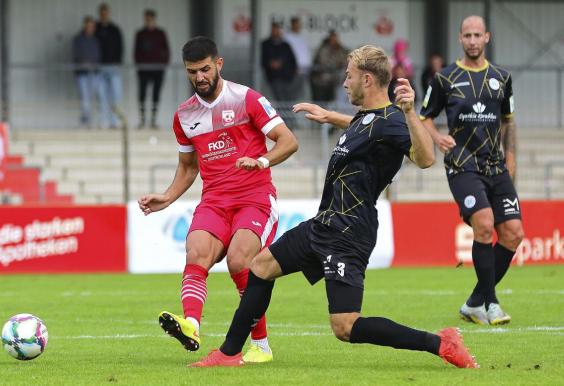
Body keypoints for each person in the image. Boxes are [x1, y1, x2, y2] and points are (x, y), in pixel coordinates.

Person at [190, 45, 477, 369]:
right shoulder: (366, 118)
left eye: (349, 76)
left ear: (366, 80)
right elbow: (364, 126)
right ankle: (229, 353)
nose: (343, 82)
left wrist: (410, 112)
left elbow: (425, 159)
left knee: (345, 326)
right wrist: (330, 117)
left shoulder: (394, 120)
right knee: (260, 267)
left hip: (349, 231)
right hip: (324, 223)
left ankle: (441, 342)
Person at [138, 36, 298, 363]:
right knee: (196, 251)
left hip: (255, 198)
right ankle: (191, 325)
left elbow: (288, 141)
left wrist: (262, 160)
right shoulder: (184, 116)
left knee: (239, 261)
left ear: (219, 64)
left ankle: (261, 346)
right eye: (192, 71)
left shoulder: (247, 99)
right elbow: (187, 166)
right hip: (214, 201)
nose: (200, 77)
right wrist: (167, 197)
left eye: (205, 69)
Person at [419, 15, 524, 325]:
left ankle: (474, 302)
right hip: (462, 166)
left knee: (513, 234)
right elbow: (425, 116)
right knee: (485, 223)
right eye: (468, 35)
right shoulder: (444, 78)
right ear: (460, 39)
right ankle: (491, 303)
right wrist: (437, 137)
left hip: (496, 166)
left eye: (478, 35)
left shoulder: (502, 78)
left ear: (487, 38)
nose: (473, 40)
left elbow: (509, 121)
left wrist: (512, 158)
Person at [134, 9, 170, 129]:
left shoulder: (160, 33)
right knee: (142, 95)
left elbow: (166, 50)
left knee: (156, 94)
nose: (148, 21)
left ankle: (153, 120)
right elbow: (136, 51)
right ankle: (143, 120)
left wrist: (163, 64)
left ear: (154, 19)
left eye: (150, 19)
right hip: (144, 69)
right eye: (147, 19)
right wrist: (139, 64)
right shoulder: (140, 34)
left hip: (157, 69)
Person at [73, 16, 109, 129]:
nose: (90, 28)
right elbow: (77, 56)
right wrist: (85, 64)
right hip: (82, 74)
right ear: (85, 26)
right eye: (88, 26)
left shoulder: (96, 40)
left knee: (101, 97)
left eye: (92, 26)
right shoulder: (78, 40)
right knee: (85, 99)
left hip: (95, 73)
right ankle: (86, 123)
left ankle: (102, 122)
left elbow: (99, 56)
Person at [96, 3, 123, 128]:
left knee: (115, 96)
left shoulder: (114, 29)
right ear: (99, 14)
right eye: (102, 13)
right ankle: (103, 122)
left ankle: (115, 122)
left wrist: (118, 61)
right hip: (99, 67)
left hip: (113, 66)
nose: (104, 15)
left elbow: (120, 47)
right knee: (101, 96)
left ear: (108, 13)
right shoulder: (95, 29)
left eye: (106, 13)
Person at [261, 22, 297, 102]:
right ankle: (280, 114)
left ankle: (286, 114)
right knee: (278, 99)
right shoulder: (265, 44)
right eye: (274, 30)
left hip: (287, 77)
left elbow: (292, 59)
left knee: (287, 99)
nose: (276, 32)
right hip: (273, 77)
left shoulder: (285, 45)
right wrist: (270, 64)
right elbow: (262, 60)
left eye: (277, 30)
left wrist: (293, 70)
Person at [310, 30, 349, 102]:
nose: (334, 40)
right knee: (321, 103)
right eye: (332, 38)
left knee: (331, 103)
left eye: (335, 38)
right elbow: (324, 62)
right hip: (321, 83)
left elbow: (346, 59)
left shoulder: (340, 48)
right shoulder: (323, 49)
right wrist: (337, 63)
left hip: (334, 82)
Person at [285, 16, 311, 100]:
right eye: (296, 24)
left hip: (305, 69)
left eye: (299, 24)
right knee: (292, 93)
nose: (297, 26)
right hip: (294, 70)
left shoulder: (302, 37)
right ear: (292, 24)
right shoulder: (287, 37)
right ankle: (289, 112)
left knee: (302, 93)